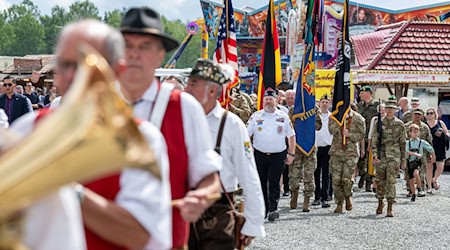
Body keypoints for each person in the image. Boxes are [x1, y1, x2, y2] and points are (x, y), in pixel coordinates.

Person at [12, 19, 172, 249]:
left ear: (117, 71)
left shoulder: (144, 140)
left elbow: (140, 235)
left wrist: (64, 187)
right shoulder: (27, 129)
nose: (69, 76)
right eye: (64, 65)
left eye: (83, 65)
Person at [119, 7, 222, 249]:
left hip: (165, 241)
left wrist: (201, 197)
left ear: (160, 55)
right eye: (127, 45)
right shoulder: (96, 106)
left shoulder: (183, 107)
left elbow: (210, 179)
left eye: (144, 46)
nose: (134, 54)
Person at [185, 59, 265, 249]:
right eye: (188, 82)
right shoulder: (179, 117)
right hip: (182, 209)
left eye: (194, 84)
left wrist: (253, 223)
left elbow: (248, 174)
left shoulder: (232, 124)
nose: (186, 88)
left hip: (219, 213)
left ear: (212, 91)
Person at [247, 87, 295, 221]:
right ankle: (264, 209)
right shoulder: (256, 116)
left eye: (271, 99)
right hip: (260, 155)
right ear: (263, 101)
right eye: (266, 99)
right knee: (261, 182)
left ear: (276, 100)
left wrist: (291, 154)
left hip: (278, 155)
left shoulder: (283, 116)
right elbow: (246, 135)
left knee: (274, 183)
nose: (269, 102)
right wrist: (248, 151)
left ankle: (273, 209)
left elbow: (291, 136)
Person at [372, 100, 406, 217]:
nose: (390, 110)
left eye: (392, 108)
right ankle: (380, 202)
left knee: (391, 181)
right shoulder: (379, 123)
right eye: (388, 108)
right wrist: (375, 155)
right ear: (384, 110)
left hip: (394, 156)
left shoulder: (400, 124)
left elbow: (403, 143)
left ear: (396, 110)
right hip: (382, 155)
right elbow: (375, 141)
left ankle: (390, 206)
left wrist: (403, 160)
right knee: (380, 181)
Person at [329, 107, 365, 213]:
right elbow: (331, 130)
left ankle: (348, 196)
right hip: (336, 152)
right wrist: (339, 123)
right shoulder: (334, 117)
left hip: (351, 153)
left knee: (346, 179)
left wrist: (349, 134)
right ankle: (339, 203)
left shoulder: (358, 118)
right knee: (336, 179)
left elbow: (361, 135)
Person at [404, 108, 432, 196]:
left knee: (421, 172)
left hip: (421, 153)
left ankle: (421, 189)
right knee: (408, 171)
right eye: (415, 114)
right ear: (412, 115)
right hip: (409, 152)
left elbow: (429, 140)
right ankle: (410, 190)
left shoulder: (425, 127)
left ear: (422, 116)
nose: (417, 116)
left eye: (419, 114)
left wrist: (430, 154)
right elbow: (402, 139)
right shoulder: (407, 126)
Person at [356, 86, 379, 192]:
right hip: (360, 135)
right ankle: (362, 175)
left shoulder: (376, 106)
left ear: (369, 93)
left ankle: (368, 182)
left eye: (362, 93)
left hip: (371, 136)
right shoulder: (359, 106)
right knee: (360, 159)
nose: (360, 95)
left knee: (370, 160)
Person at [312, 94, 333, 208]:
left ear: (329, 104)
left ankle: (325, 197)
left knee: (326, 173)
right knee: (316, 173)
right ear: (319, 103)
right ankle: (317, 196)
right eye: (322, 102)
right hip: (316, 147)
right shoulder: (314, 116)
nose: (324, 104)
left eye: (326, 102)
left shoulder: (332, 117)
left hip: (327, 147)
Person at [405, 124, 435, 202]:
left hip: (419, 162)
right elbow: (406, 151)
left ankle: (419, 188)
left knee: (416, 173)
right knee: (411, 179)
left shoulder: (422, 142)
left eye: (416, 132)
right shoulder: (407, 143)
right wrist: (414, 154)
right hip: (410, 162)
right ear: (410, 133)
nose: (415, 133)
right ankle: (413, 194)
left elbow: (430, 149)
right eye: (413, 132)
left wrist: (433, 156)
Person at [425, 107, 449, 194]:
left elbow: (447, 133)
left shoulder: (440, 123)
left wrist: (443, 132)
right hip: (428, 148)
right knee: (429, 167)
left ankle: (434, 179)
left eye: (431, 113)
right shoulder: (424, 124)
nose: (429, 115)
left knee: (440, 167)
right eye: (427, 113)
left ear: (435, 114)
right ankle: (429, 187)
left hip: (439, 147)